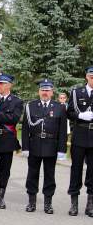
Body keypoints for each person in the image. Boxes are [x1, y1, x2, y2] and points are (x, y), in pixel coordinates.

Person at [22, 79, 67, 214]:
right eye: (42, 90)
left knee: (49, 175)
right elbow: (25, 129)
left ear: (52, 92)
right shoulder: (31, 106)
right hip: (34, 144)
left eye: (47, 90)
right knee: (32, 174)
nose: (45, 93)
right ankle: (31, 202)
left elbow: (63, 130)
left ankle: (48, 203)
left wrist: (62, 150)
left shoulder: (60, 107)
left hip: (51, 146)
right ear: (39, 91)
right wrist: (25, 147)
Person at [0, 73, 23, 209]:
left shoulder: (17, 102)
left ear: (9, 85)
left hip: (7, 139)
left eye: (1, 83)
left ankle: (1, 197)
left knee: (5, 170)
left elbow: (13, 119)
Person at [66, 66, 93, 217]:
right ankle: (74, 203)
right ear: (86, 77)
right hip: (80, 133)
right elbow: (69, 112)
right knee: (76, 169)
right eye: (91, 76)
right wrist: (80, 116)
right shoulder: (76, 93)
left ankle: (90, 205)